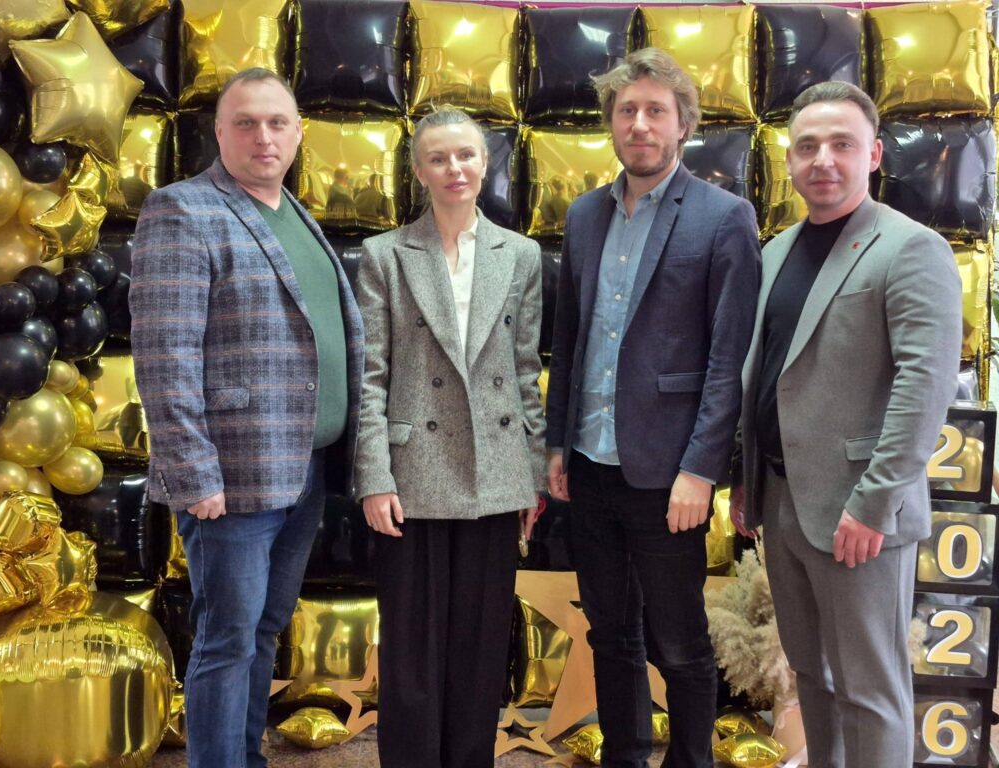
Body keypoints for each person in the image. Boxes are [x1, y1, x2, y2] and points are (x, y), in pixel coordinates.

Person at [129, 67, 364, 768]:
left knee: (262, 630)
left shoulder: (295, 214)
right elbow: (164, 355)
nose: (263, 136)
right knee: (227, 640)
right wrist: (193, 473)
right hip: (229, 479)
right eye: (246, 122)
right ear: (220, 132)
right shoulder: (182, 209)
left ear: (298, 133)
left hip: (304, 470)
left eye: (276, 122)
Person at [732, 81, 962, 767]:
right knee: (812, 676)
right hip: (783, 503)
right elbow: (765, 372)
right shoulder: (776, 251)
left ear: (874, 155)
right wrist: (748, 480)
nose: (823, 159)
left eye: (841, 144)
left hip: (860, 514)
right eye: (807, 146)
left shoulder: (912, 248)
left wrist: (875, 502)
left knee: (870, 690)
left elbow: (924, 387)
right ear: (790, 159)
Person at [546, 48, 761, 767]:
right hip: (590, 464)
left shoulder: (724, 218)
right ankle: (626, 755)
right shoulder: (584, 215)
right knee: (610, 632)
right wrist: (557, 444)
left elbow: (728, 362)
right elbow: (568, 342)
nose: (639, 124)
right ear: (611, 122)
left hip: (670, 475)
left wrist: (701, 471)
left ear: (683, 125)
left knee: (679, 642)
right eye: (627, 110)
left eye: (655, 111)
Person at [353, 106, 546, 768]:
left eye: (465, 155)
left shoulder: (520, 255)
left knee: (480, 647)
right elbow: (371, 375)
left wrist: (533, 476)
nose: (453, 168)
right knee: (411, 652)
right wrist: (373, 477)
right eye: (438, 158)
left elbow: (525, 373)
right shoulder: (384, 254)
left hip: (496, 470)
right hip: (412, 473)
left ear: (485, 162)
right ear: (418, 171)